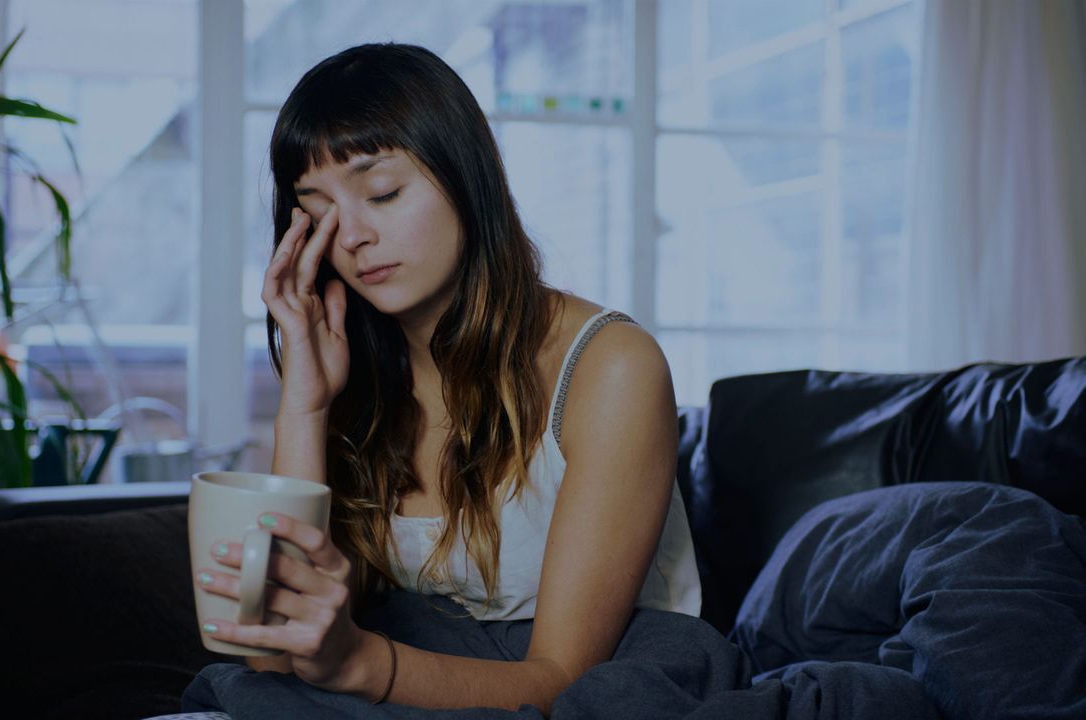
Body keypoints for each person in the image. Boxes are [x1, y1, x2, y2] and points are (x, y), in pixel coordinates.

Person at [183, 42, 700, 715]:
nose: (353, 237)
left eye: (383, 191)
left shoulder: (612, 368)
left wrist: (360, 663)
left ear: (464, 175)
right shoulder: (359, 375)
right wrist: (305, 406)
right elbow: (270, 643)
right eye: (319, 210)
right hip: (418, 682)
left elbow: (561, 682)